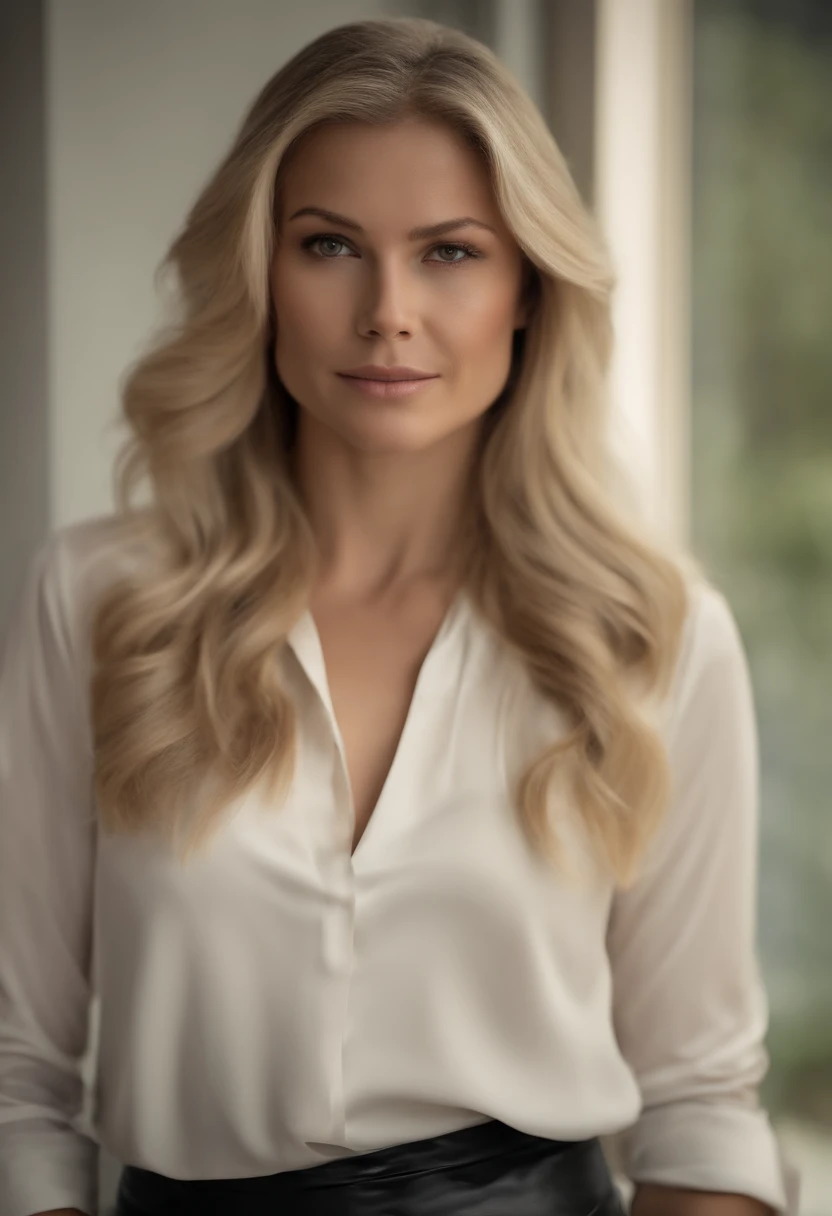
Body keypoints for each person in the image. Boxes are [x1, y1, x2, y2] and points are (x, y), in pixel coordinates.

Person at [0, 15, 796, 1216]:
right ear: (258, 273)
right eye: (328, 245)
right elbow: (17, 1075)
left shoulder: (654, 635)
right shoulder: (101, 601)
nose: (387, 312)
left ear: (527, 283)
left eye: (450, 253)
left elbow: (699, 1108)